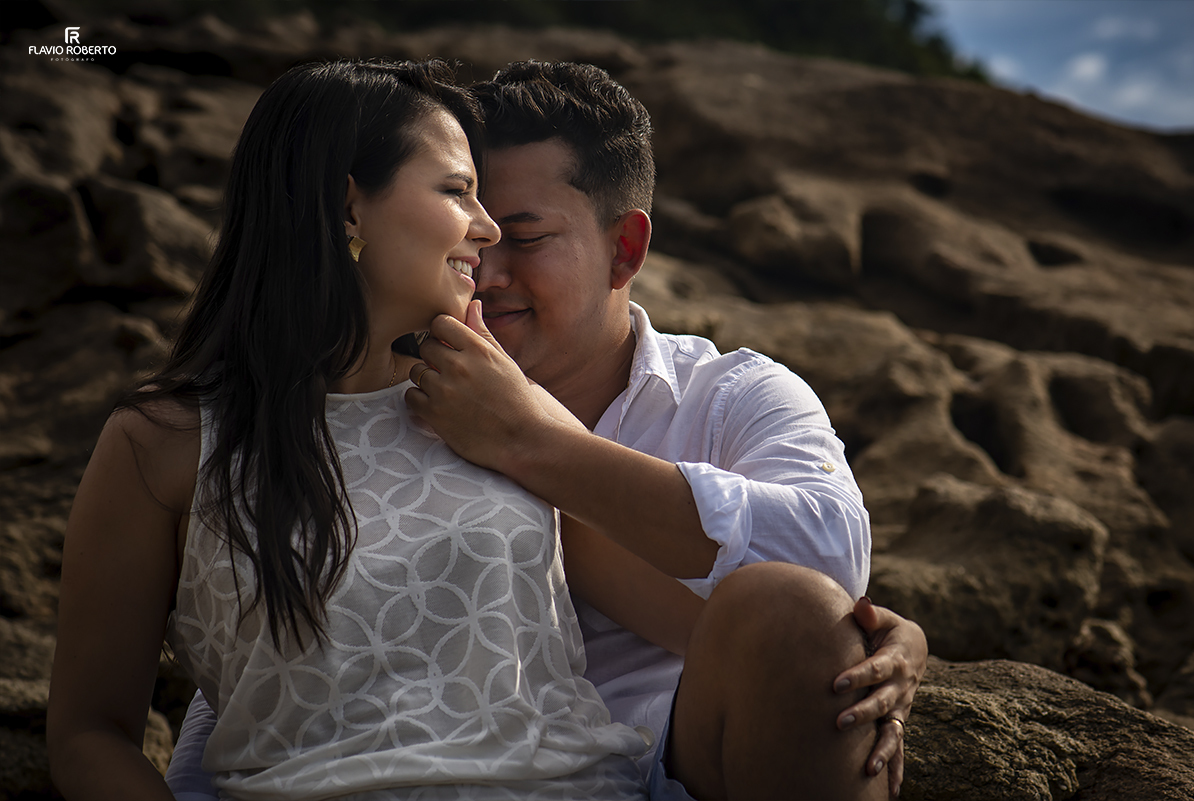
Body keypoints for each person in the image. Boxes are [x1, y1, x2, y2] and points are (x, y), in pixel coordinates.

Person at [167, 60, 928, 801]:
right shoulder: (373, 399)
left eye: (523, 238)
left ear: (625, 248)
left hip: (677, 754)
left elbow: (828, 560)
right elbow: (287, 638)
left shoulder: (731, 395)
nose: (483, 260)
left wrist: (538, 442)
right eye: (466, 217)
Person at [47, 59, 665, 800]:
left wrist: (830, 631)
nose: (488, 226)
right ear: (349, 208)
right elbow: (89, 730)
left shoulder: (493, 404)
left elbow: (680, 615)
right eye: (455, 191)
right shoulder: (164, 442)